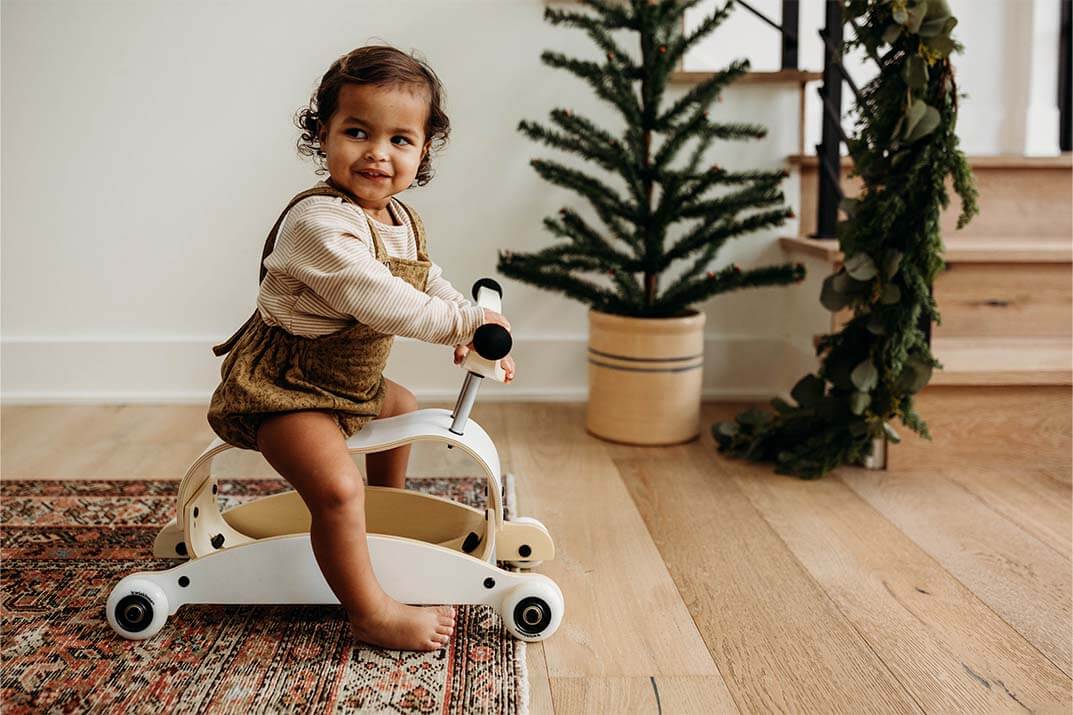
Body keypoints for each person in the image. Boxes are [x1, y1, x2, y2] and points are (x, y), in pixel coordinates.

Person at [207, 45, 514, 651]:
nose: (378, 152)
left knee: (402, 406)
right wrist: (466, 322)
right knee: (337, 489)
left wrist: (472, 323)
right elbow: (382, 299)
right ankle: (369, 609)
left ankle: (385, 515)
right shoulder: (319, 224)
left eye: (400, 139)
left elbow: (426, 281)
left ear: (423, 152)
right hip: (284, 390)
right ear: (322, 134)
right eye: (357, 132)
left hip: (347, 384)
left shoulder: (398, 218)